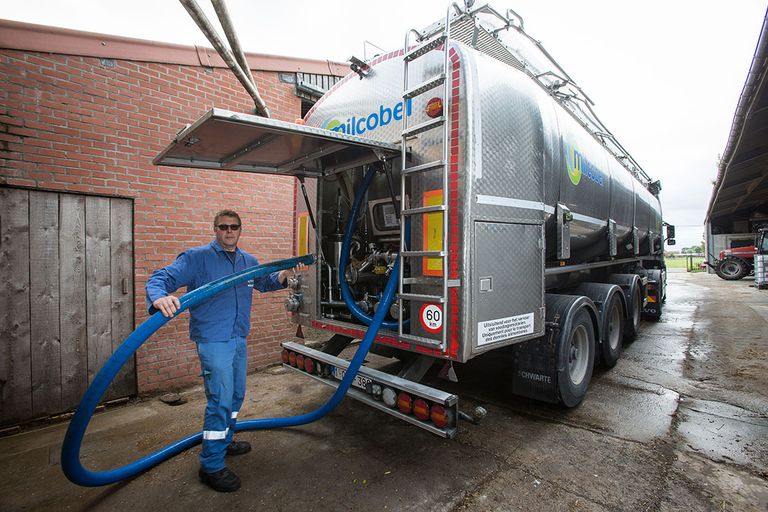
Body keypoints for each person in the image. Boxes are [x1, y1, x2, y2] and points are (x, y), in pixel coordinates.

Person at [146, 209, 307, 492]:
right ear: (215, 229)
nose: (229, 231)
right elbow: (160, 278)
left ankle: (225, 438)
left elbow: (265, 283)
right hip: (213, 339)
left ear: (240, 229)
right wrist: (160, 297)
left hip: (237, 337)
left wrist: (283, 275)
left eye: (234, 227)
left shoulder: (248, 262)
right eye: (223, 227)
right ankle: (211, 465)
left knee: (235, 394)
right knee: (220, 399)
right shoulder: (196, 258)